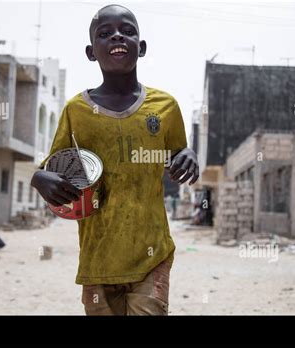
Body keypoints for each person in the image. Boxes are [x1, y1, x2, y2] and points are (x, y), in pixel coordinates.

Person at [31, 4, 199, 315]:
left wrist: (187, 155)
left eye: (127, 31)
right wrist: (39, 178)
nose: (117, 37)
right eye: (104, 34)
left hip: (152, 253)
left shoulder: (165, 107)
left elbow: (178, 153)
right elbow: (52, 168)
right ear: (91, 51)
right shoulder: (76, 111)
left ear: (142, 47)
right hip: (98, 258)